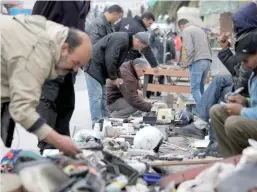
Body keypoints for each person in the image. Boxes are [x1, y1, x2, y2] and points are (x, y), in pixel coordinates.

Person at [1, 15, 92, 155]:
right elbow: (22, 110)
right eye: (75, 63)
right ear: (65, 48)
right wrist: (58, 141)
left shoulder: (57, 35)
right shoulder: (36, 53)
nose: (75, 70)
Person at [176, 2, 257, 157]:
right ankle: (211, 139)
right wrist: (226, 49)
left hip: (248, 89)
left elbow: (244, 74)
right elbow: (237, 68)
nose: (234, 26)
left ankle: (204, 129)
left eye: (236, 22)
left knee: (217, 89)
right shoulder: (245, 38)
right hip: (242, 83)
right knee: (219, 84)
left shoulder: (250, 39)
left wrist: (235, 91)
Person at [32, 0, 91, 152]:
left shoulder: (85, 2)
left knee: (66, 103)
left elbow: (79, 27)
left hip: (69, 59)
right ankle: (47, 145)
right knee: (47, 100)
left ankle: (63, 143)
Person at [84, 32, 150, 126]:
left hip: (99, 69)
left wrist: (118, 76)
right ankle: (96, 124)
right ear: (138, 41)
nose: (140, 49)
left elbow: (117, 63)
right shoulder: (122, 39)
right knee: (96, 98)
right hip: (93, 67)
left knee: (102, 97)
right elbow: (111, 59)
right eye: (141, 46)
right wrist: (114, 78)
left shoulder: (126, 42)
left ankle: (105, 122)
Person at [115, 12, 159, 98]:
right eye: (149, 23)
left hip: (117, 54)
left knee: (119, 77)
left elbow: (114, 30)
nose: (149, 26)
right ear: (145, 19)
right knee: (127, 78)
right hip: (129, 57)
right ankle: (125, 97)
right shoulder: (141, 30)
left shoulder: (125, 20)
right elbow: (146, 49)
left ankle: (118, 95)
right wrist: (154, 65)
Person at [178, 18, 212, 105]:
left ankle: (202, 109)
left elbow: (189, 48)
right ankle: (203, 109)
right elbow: (209, 46)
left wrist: (188, 63)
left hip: (198, 61)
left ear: (181, 26)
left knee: (194, 89)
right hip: (207, 60)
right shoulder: (200, 30)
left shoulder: (186, 30)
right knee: (201, 88)